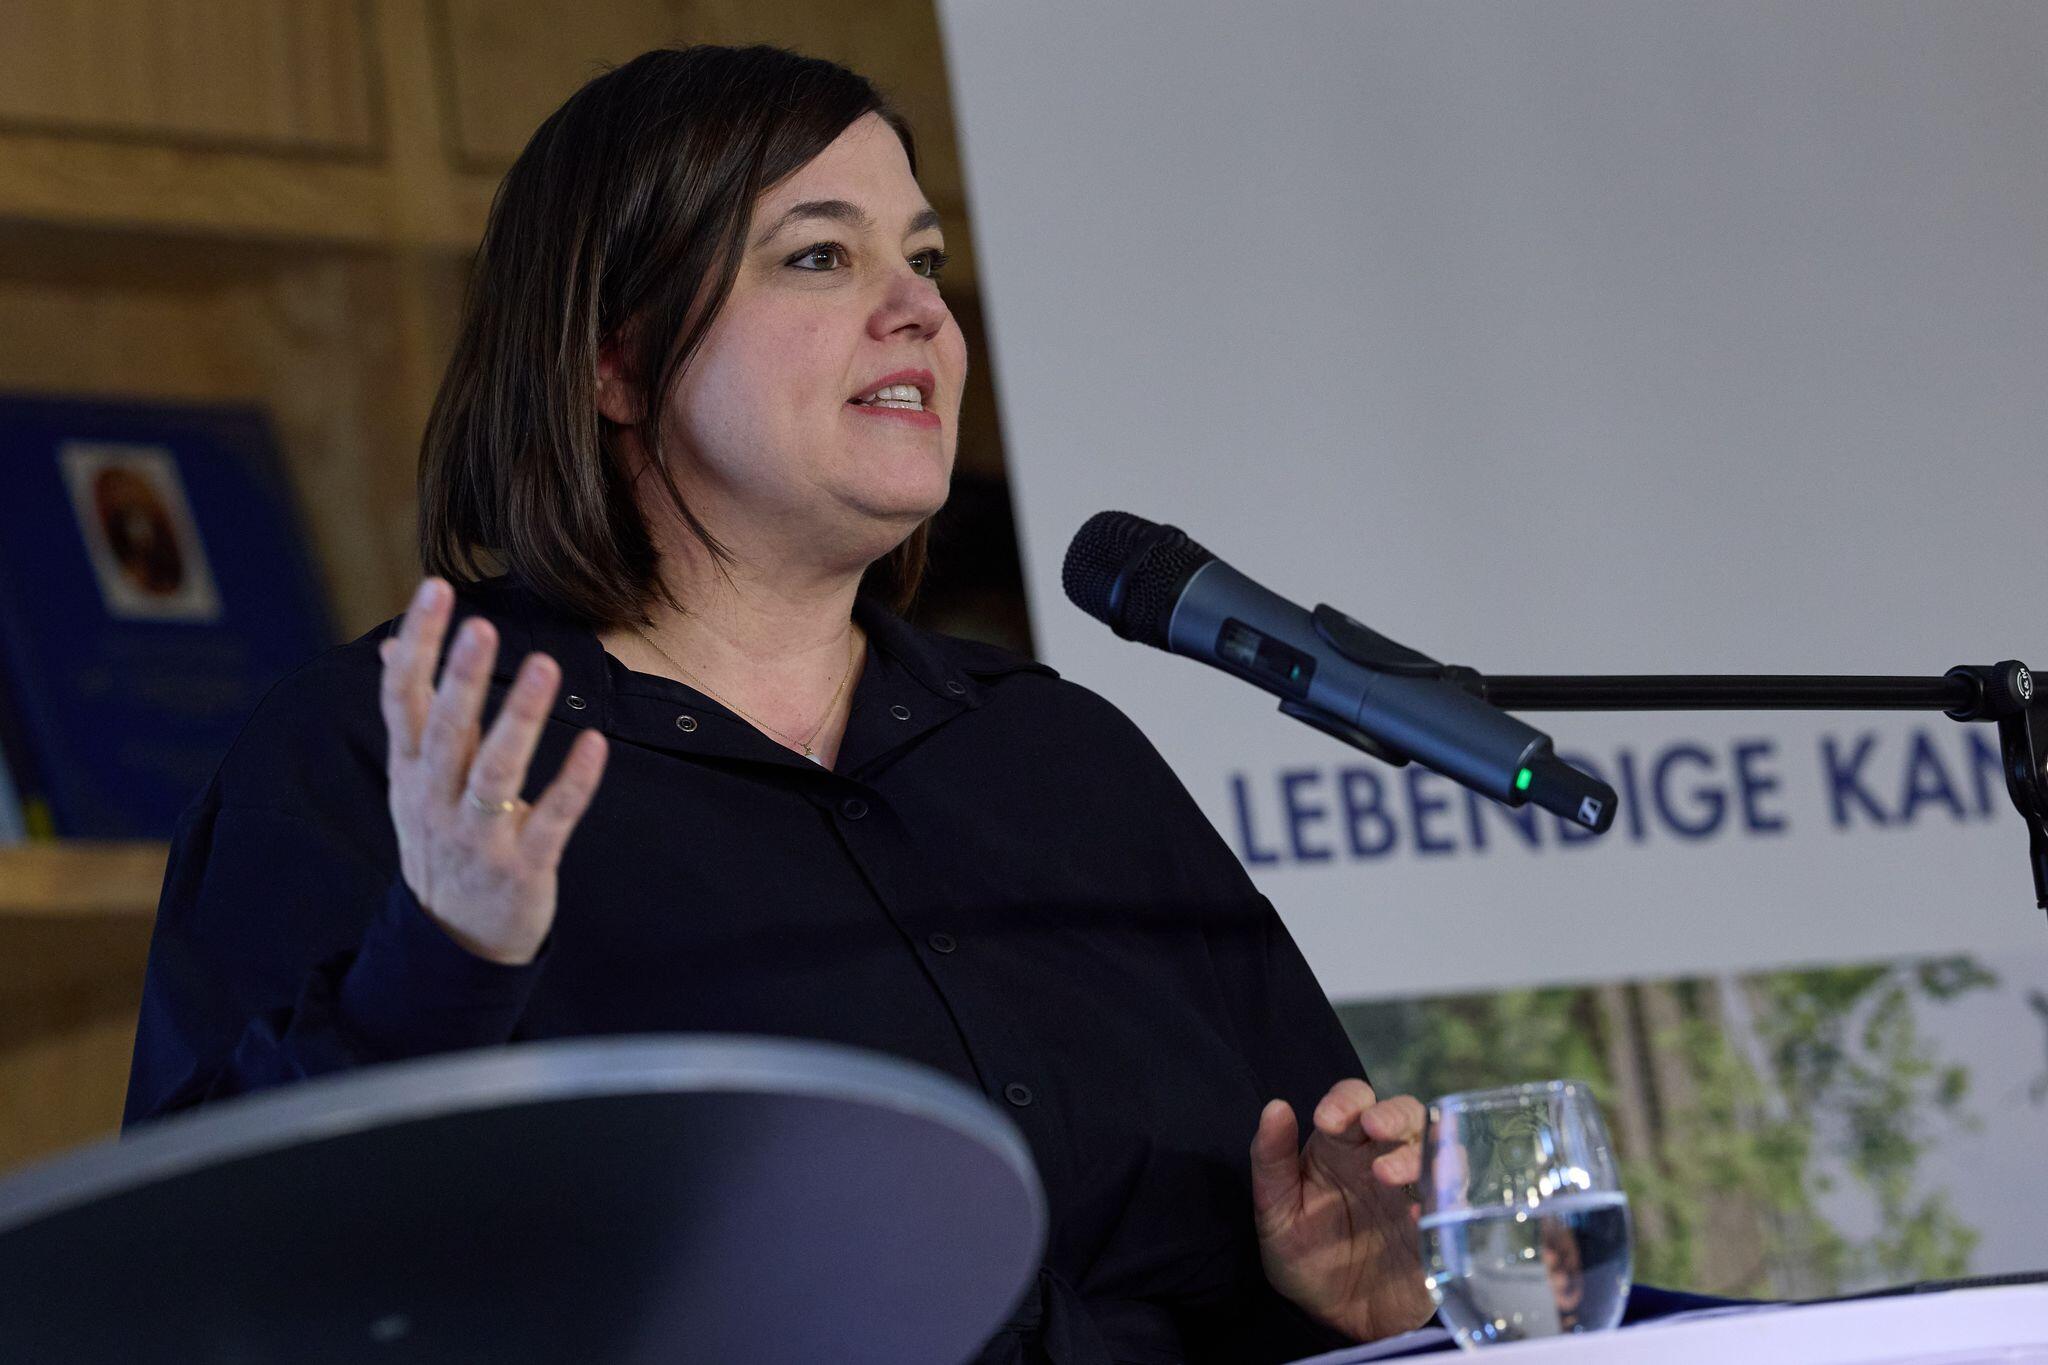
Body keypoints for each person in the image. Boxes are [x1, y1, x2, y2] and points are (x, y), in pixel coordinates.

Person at [123, 45, 1439, 1363]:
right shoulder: (390, 752)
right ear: (613, 359)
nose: (918, 311)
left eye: (923, 259)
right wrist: (442, 960)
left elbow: (1319, 1228)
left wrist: (1358, 1299)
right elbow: (187, 1289)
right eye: (820, 256)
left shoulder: (1065, 756)